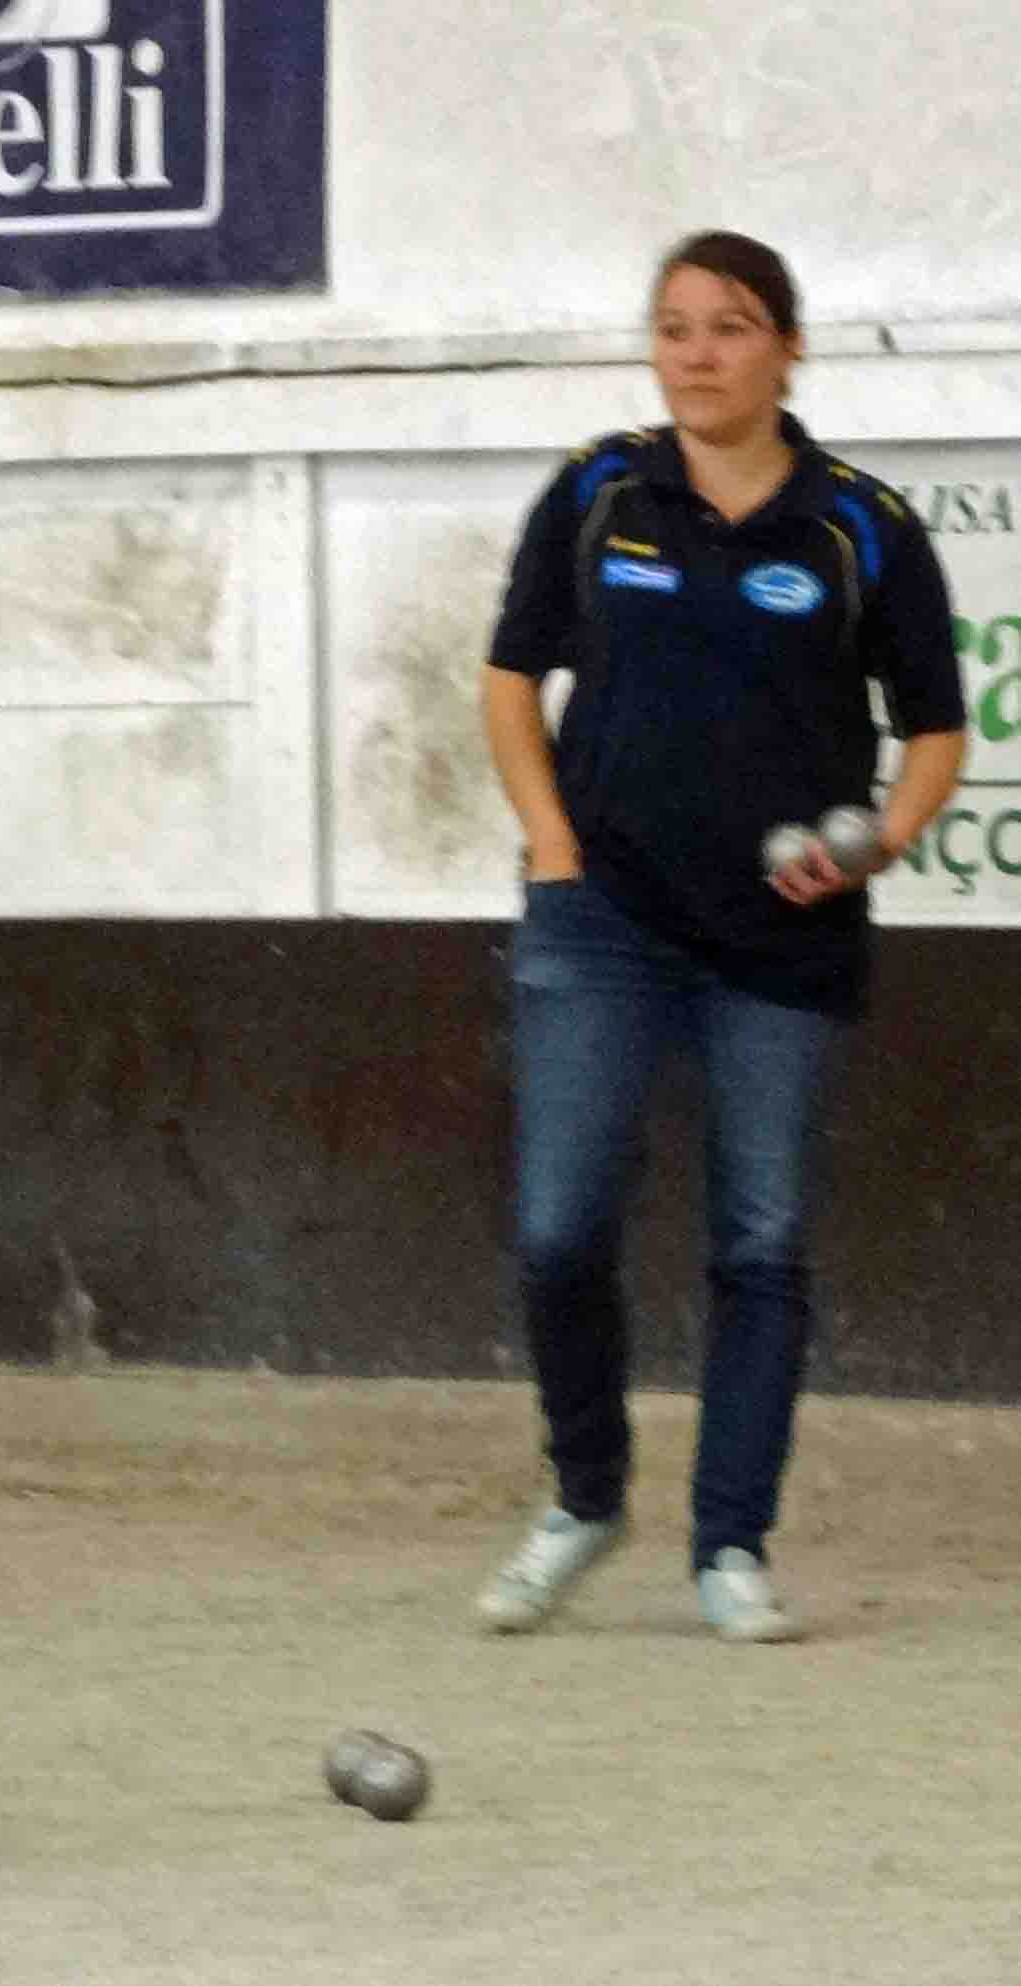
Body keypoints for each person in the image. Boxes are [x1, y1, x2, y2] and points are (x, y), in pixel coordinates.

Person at [475, 230, 967, 1643]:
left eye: (732, 327)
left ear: (788, 349)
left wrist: (873, 838)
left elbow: (936, 732)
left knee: (761, 1243)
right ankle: (585, 1497)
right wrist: (554, 844)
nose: (698, 352)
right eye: (675, 327)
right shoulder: (597, 491)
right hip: (602, 920)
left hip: (783, 947)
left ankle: (730, 1544)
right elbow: (512, 684)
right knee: (559, 1228)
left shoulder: (861, 524)